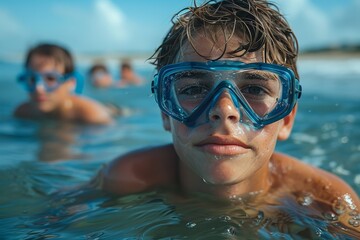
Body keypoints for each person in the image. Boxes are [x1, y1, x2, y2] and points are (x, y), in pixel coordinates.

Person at [95, 0, 359, 232]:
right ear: (166, 112)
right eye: (194, 88)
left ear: (286, 119)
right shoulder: (126, 178)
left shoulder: (326, 202)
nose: (224, 110)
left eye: (254, 89)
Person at [14, 43, 113, 124]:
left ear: (71, 83)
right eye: (32, 79)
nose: (38, 88)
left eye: (50, 78)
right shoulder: (23, 112)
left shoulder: (92, 115)